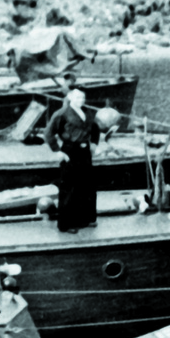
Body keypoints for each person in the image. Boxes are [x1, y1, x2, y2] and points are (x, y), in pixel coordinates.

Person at [44, 86, 100, 233]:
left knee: (86, 185)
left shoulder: (87, 112)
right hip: (70, 151)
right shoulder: (62, 113)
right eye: (77, 97)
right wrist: (57, 151)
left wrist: (94, 143)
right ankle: (66, 224)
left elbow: (95, 128)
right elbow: (48, 133)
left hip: (85, 152)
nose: (81, 100)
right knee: (69, 188)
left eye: (82, 97)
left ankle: (85, 219)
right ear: (70, 97)